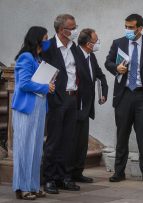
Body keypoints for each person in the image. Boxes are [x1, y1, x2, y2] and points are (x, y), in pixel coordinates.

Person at [105, 13, 143, 184]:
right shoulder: (118, 43)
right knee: (122, 135)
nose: (128, 30)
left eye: (131, 27)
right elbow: (108, 62)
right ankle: (119, 171)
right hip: (124, 96)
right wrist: (116, 68)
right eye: (126, 27)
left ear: (140, 28)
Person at [12, 26, 55, 200]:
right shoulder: (26, 57)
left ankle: (34, 185)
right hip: (26, 109)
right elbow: (23, 83)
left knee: (36, 149)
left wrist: (49, 84)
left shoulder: (38, 58)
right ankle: (22, 188)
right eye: (45, 38)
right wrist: (45, 87)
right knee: (24, 149)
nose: (47, 41)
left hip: (38, 109)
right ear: (37, 39)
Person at [42, 14, 81, 194]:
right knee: (54, 140)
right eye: (72, 28)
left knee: (68, 140)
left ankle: (63, 177)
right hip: (56, 98)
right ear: (61, 30)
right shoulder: (48, 47)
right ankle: (49, 178)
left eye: (75, 27)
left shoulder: (74, 47)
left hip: (72, 98)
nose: (74, 31)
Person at [72, 28, 108, 183]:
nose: (98, 43)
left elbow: (100, 75)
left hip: (86, 108)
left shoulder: (91, 56)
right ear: (88, 44)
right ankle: (67, 174)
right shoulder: (74, 55)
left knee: (81, 144)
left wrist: (103, 92)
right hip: (74, 106)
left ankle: (78, 172)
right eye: (96, 41)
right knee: (72, 142)